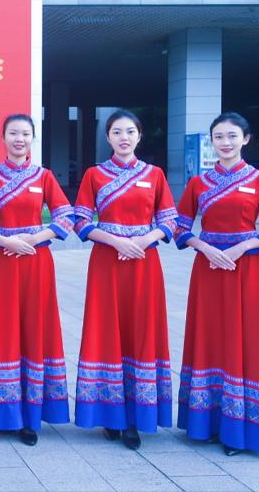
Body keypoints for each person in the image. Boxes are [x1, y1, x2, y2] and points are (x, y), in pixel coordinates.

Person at [174, 112, 259, 456]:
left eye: (231, 136)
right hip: (208, 270)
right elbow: (180, 228)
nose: (225, 143)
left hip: (246, 270)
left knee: (246, 339)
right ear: (211, 141)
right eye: (218, 137)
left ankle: (241, 429)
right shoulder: (199, 183)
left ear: (246, 139)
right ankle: (206, 423)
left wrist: (240, 248)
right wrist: (205, 247)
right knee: (209, 338)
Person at [0, 114, 75, 446]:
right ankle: (2, 412)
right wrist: (5, 241)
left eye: (25, 134)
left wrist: (33, 238)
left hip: (36, 262)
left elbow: (66, 217)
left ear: (32, 139)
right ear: (3, 138)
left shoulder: (44, 176)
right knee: (3, 331)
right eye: (13, 133)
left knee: (33, 329)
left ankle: (30, 415)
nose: (19, 139)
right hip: (2, 262)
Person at [72, 109, 177, 450]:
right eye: (117, 132)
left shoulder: (154, 175)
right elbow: (80, 221)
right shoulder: (94, 175)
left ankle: (136, 418)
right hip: (107, 261)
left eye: (130, 131)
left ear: (139, 135)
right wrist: (116, 241)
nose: (124, 138)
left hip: (144, 264)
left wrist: (143, 241)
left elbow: (169, 221)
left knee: (141, 331)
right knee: (106, 331)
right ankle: (110, 415)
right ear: (108, 137)